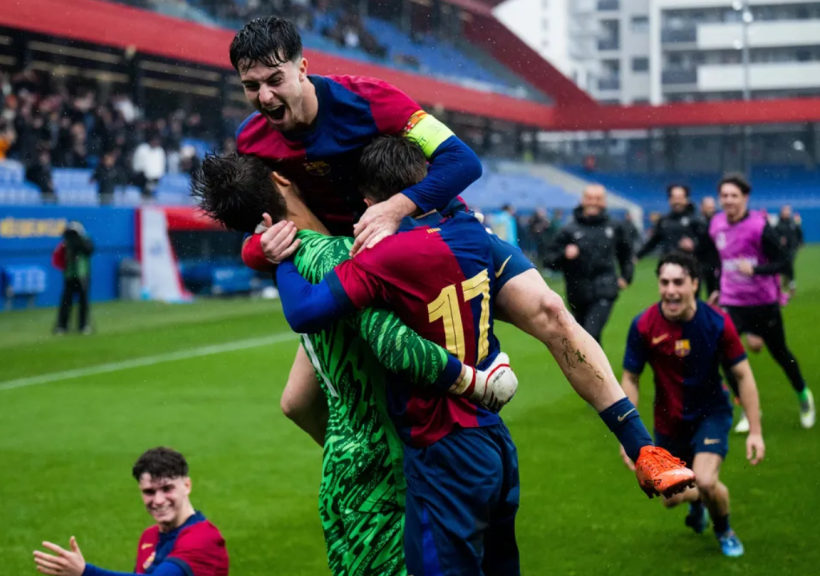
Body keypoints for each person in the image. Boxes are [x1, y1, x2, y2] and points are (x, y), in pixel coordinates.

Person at [194, 145, 695, 576]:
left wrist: (268, 256)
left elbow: (304, 388)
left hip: (380, 465)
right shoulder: (423, 242)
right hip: (451, 449)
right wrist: (479, 383)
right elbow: (458, 169)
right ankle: (640, 445)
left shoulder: (337, 262)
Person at [194, 151, 514, 576]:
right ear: (281, 179)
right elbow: (397, 347)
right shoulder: (346, 256)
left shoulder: (291, 261)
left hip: (340, 470)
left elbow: (293, 402)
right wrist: (478, 384)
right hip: (387, 472)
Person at [229, 17, 483, 270]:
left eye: (275, 80)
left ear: (302, 69)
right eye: (251, 86)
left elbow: (463, 160)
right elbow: (252, 228)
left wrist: (394, 209)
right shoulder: (250, 141)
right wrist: (260, 252)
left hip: (432, 232)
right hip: (349, 264)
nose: (264, 96)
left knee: (523, 300)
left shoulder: (373, 100)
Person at [621, 252, 764, 557]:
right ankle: (697, 501)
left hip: (711, 414)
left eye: (678, 282)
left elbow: (743, 375)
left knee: (707, 480)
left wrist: (755, 430)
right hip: (668, 423)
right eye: (664, 282)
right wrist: (627, 437)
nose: (670, 290)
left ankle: (724, 529)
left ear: (694, 284)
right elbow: (630, 378)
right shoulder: (644, 325)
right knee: (670, 497)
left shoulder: (716, 322)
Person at [708, 174, 814, 430]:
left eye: (734, 195)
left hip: (763, 303)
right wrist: (715, 290)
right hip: (733, 302)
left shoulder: (760, 226)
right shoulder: (716, 225)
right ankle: (746, 408)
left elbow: (784, 262)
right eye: (724, 195)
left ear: (745, 198)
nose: (729, 200)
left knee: (780, 353)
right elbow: (715, 260)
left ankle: (803, 395)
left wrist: (756, 271)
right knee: (722, 353)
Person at [34, 447, 229, 576]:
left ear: (187, 486)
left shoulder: (203, 538)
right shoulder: (149, 536)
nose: (158, 500)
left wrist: (85, 572)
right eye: (149, 492)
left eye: (167, 489)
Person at [544, 185, 634, 343]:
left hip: (605, 290)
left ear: (604, 202)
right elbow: (548, 260)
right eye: (589, 198)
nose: (593, 202)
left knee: (588, 336)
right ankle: (598, 369)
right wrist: (564, 255)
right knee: (590, 340)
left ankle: (594, 368)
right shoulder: (569, 230)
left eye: (598, 198)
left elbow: (626, 254)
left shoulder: (614, 227)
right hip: (577, 292)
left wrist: (626, 277)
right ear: (582, 200)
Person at [52, 222, 94, 335]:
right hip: (70, 274)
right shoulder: (66, 242)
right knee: (66, 301)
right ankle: (62, 326)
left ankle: (83, 325)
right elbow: (59, 256)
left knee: (83, 301)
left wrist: (79, 239)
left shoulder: (85, 239)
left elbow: (89, 250)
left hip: (82, 274)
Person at [774, 205, 804, 294]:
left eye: (788, 211)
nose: (787, 212)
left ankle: (791, 285)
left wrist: (800, 243)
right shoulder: (778, 223)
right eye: (785, 210)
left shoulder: (793, 223)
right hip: (781, 249)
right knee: (784, 266)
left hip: (792, 248)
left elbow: (799, 233)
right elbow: (773, 235)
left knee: (789, 264)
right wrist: (779, 240)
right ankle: (787, 281)